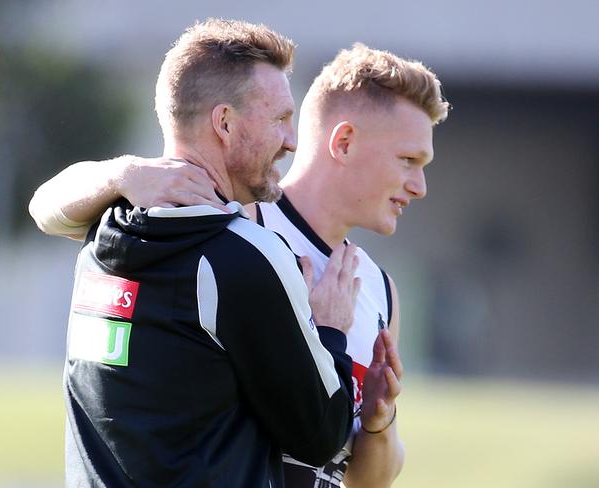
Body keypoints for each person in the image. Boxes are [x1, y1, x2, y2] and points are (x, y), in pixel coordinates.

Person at [30, 43, 450, 487]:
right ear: (343, 142)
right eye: (409, 160)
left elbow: (364, 478)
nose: (420, 186)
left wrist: (378, 424)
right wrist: (124, 173)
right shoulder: (236, 224)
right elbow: (47, 207)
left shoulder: (378, 291)